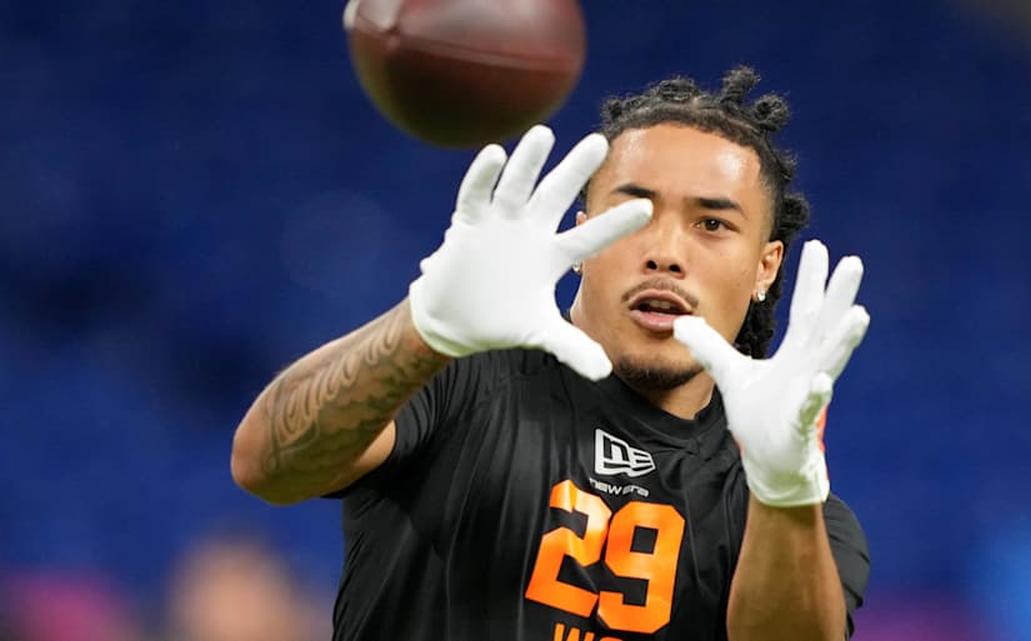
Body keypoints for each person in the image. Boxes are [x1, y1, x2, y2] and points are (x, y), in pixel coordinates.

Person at [231, 67, 871, 641]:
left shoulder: (793, 511)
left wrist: (783, 489)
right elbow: (265, 464)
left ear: (765, 268)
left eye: (712, 224)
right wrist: (421, 327)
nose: (667, 253)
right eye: (637, 210)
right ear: (581, 226)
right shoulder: (454, 375)